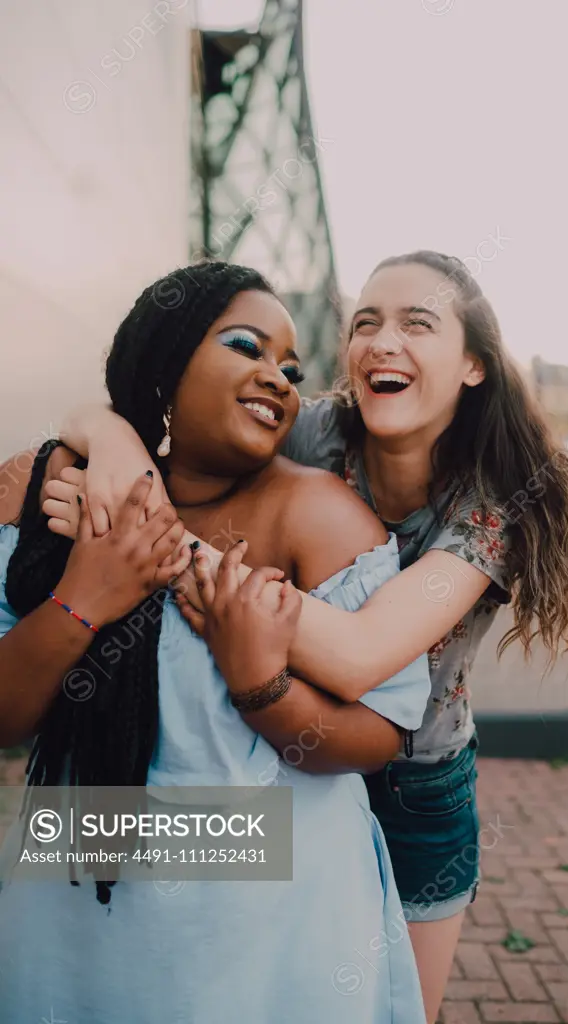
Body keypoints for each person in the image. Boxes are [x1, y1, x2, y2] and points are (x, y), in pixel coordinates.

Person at [34, 252, 568, 1023]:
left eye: (418, 322)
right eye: (365, 322)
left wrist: (150, 542)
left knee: (395, 1004)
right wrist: (114, 451)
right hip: (292, 768)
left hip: (415, 786)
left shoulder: (490, 508)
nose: (381, 341)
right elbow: (118, 412)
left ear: (473, 364)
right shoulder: (312, 430)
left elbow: (356, 655)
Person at [0, 261, 432, 1024]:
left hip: (267, 939)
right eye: (247, 347)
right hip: (79, 897)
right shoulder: (62, 496)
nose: (279, 379)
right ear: (165, 368)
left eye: (292, 370)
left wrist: (259, 681)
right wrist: (84, 600)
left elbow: (382, 733)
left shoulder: (319, 516)